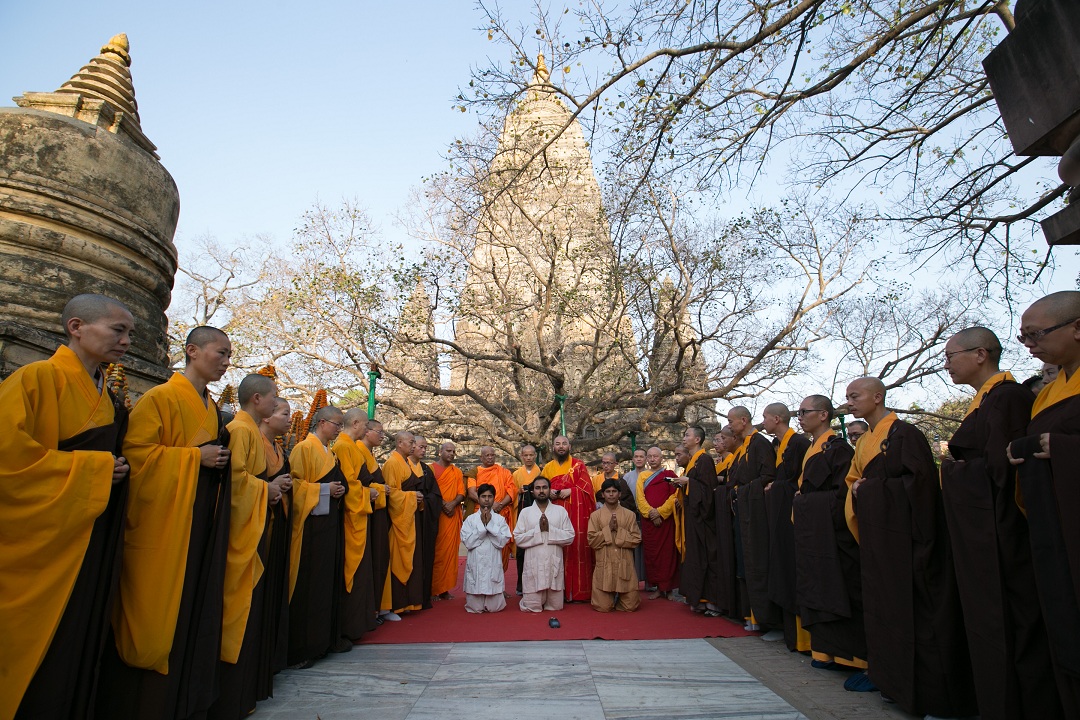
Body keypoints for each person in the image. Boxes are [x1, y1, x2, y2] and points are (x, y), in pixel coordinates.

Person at [1, 294, 132, 720]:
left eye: (130, 333)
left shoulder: (107, 396)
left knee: (76, 632)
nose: (127, 341)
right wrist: (93, 470)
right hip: (43, 539)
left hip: (90, 530)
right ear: (77, 327)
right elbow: (8, 458)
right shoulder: (36, 378)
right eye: (118, 330)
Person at [97, 326, 233, 720]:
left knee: (192, 608)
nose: (226, 362)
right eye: (220, 353)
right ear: (192, 351)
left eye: (228, 355)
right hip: (164, 527)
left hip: (199, 523)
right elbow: (136, 457)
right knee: (157, 615)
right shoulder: (160, 397)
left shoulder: (210, 408)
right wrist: (194, 458)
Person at [940, 327, 1061, 720]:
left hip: (1004, 532)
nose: (946, 364)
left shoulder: (1007, 397)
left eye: (950, 355)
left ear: (979, 354)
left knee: (1014, 623)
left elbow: (1002, 470)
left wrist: (955, 470)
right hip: (982, 532)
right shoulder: (984, 399)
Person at [845, 377, 976, 717]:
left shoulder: (904, 434)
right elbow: (854, 482)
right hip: (880, 542)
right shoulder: (865, 442)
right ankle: (892, 684)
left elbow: (919, 487)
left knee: (918, 614)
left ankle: (934, 697)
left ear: (878, 397)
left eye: (855, 396)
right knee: (884, 612)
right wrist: (863, 491)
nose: (849, 403)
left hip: (909, 542)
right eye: (847, 397)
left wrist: (869, 491)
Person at [1008, 291, 1080, 716]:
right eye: (1024, 338)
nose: (1030, 345)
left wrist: (1067, 449)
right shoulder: (1047, 393)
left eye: (1036, 334)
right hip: (1053, 526)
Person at [208, 374, 283, 720]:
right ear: (257, 399)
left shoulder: (249, 431)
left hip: (254, 529)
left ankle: (247, 690)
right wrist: (264, 490)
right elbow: (235, 482)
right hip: (239, 533)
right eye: (274, 399)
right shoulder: (239, 430)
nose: (277, 405)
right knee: (235, 611)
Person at [790, 394, 866, 672]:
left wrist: (805, 500)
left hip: (832, 535)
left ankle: (852, 657)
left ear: (823, 415)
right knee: (816, 588)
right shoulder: (814, 448)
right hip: (813, 533)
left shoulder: (838, 449)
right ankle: (825, 651)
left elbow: (842, 496)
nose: (799, 417)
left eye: (803, 411)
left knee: (840, 589)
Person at [286, 406, 349, 667]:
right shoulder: (304, 448)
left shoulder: (330, 453)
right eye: (336, 424)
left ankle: (325, 640)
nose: (338, 429)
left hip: (330, 525)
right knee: (310, 585)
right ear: (322, 423)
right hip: (311, 530)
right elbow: (295, 486)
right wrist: (323, 489)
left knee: (327, 583)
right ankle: (304, 647)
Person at [762, 402, 812, 648]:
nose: (764, 422)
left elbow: (805, 481)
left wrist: (779, 486)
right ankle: (788, 629)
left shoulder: (799, 444)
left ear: (778, 419)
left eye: (766, 417)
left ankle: (803, 635)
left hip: (794, 515)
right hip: (780, 513)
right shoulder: (780, 446)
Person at [330, 408, 378, 643]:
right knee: (353, 570)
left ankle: (360, 623)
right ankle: (350, 627)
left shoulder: (350, 446)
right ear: (356, 423)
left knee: (361, 571)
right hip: (352, 515)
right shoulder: (343, 446)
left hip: (359, 515)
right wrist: (368, 493)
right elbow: (348, 484)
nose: (368, 430)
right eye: (366, 426)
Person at [728, 407, 776, 630]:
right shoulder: (746, 445)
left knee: (757, 560)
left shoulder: (760, 443)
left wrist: (744, 491)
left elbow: (768, 476)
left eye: (731, 421)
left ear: (743, 420)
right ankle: (752, 614)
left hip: (755, 510)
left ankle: (764, 618)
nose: (729, 426)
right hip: (744, 508)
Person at [257, 398, 293, 684]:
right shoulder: (246, 436)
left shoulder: (279, 449)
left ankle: (269, 655)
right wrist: (265, 489)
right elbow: (235, 480)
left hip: (277, 518)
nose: (289, 419)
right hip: (257, 525)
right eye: (284, 413)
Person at [671, 426, 720, 615]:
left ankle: (710, 600)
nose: (684, 438)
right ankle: (697, 598)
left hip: (702, 519)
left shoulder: (704, 459)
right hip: (692, 517)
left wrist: (688, 483)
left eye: (687, 435)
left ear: (697, 439)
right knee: (694, 557)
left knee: (704, 557)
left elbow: (708, 490)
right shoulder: (693, 462)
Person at [541, 435, 595, 602]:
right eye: (557, 444)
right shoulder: (548, 468)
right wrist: (547, 492)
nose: (561, 447)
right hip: (555, 513)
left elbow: (588, 490)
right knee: (557, 550)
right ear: (553, 447)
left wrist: (572, 491)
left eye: (564, 443)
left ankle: (579, 592)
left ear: (569, 446)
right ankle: (558, 593)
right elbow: (540, 488)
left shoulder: (578, 465)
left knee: (577, 547)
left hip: (576, 514)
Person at [514, 477, 576, 612]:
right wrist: (538, 531)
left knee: (555, 607)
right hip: (533, 565)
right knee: (532, 607)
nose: (541, 491)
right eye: (537, 488)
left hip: (553, 563)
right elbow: (518, 539)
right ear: (532, 491)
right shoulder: (525, 512)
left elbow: (570, 536)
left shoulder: (560, 511)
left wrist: (550, 530)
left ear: (549, 490)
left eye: (544, 487)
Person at [380, 431, 423, 616]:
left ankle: (408, 603)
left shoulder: (405, 462)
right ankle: (394, 605)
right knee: (396, 560)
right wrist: (413, 496)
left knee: (410, 559)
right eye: (410, 442)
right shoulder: (392, 463)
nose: (413, 446)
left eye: (415, 442)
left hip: (408, 517)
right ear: (399, 443)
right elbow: (391, 494)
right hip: (397, 521)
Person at [354, 420, 392, 624]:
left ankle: (377, 608)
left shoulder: (367, 453)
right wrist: (380, 488)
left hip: (376, 510)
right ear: (366, 432)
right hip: (367, 510)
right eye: (379, 432)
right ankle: (372, 610)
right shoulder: (358, 450)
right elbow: (359, 483)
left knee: (379, 557)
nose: (382, 436)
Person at [588, 479, 642, 612]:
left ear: (620, 494)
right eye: (608, 492)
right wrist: (608, 529)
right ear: (602, 494)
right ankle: (609, 598)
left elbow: (636, 539)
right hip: (604, 564)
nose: (611, 494)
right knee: (603, 607)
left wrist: (618, 530)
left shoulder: (629, 515)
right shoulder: (595, 516)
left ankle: (622, 598)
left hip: (625, 565)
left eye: (614, 491)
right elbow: (592, 541)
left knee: (630, 606)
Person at [460, 483, 511, 613]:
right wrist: (483, 528)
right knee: (475, 608)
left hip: (493, 563)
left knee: (495, 608)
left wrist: (489, 525)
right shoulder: (470, 520)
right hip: (476, 562)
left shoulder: (500, 520)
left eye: (490, 496)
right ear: (478, 498)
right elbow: (469, 543)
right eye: (483, 496)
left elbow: (501, 542)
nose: (487, 499)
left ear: (494, 498)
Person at [636, 446, 679, 599]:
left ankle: (669, 588)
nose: (653, 459)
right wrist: (651, 513)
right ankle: (658, 588)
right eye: (650, 457)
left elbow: (675, 495)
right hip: (650, 523)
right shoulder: (643, 476)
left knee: (668, 554)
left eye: (656, 456)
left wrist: (660, 512)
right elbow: (640, 498)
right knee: (653, 554)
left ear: (662, 458)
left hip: (665, 521)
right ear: (647, 459)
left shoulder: (669, 475)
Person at [408, 436, 443, 609]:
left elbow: (436, 495)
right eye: (421, 447)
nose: (423, 450)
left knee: (426, 557)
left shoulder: (426, 469)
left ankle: (423, 596)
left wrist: (424, 502)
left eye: (425, 447)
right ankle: (407, 599)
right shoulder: (401, 465)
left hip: (424, 520)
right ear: (412, 446)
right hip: (406, 520)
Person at [470, 446, 517, 571]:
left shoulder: (504, 472)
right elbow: (471, 492)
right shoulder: (474, 472)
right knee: (483, 548)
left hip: (501, 514)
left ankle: (499, 586)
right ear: (481, 457)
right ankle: (483, 586)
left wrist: (500, 505)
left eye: (492, 455)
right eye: (487, 455)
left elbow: (512, 490)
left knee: (502, 549)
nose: (490, 457)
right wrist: (488, 505)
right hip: (481, 515)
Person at [431, 441, 465, 600]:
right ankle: (433, 589)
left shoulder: (456, 472)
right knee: (437, 552)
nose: (451, 454)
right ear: (440, 452)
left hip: (452, 515)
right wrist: (444, 504)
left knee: (450, 553)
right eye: (448, 451)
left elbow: (461, 492)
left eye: (453, 451)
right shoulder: (430, 469)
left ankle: (445, 589)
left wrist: (452, 504)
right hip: (437, 515)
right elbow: (431, 491)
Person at [511, 444, 541, 595]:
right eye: (526, 455)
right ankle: (521, 585)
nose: (528, 458)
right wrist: (519, 491)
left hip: (538, 514)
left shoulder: (541, 472)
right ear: (521, 456)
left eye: (531, 455)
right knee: (522, 549)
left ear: (535, 456)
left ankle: (538, 583)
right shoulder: (516, 474)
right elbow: (512, 493)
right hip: (522, 513)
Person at [623, 447, 649, 587]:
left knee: (648, 549)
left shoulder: (651, 475)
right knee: (632, 548)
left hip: (649, 515)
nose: (638, 459)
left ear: (646, 459)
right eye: (636, 456)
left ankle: (650, 580)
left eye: (641, 456)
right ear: (633, 459)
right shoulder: (627, 477)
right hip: (632, 515)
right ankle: (633, 579)